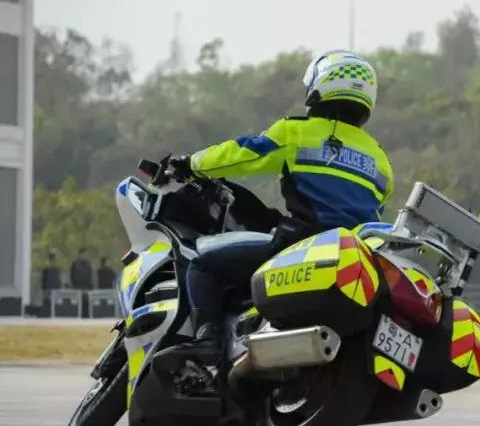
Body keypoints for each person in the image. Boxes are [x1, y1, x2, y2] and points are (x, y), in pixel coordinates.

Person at [166, 50, 394, 355]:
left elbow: (243, 154)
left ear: (319, 86)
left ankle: (207, 345)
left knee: (202, 266)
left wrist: (192, 164)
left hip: (304, 248)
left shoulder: (296, 132)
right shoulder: (380, 159)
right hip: (357, 259)